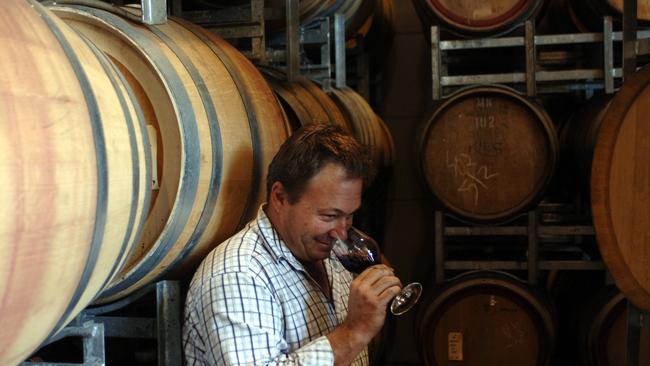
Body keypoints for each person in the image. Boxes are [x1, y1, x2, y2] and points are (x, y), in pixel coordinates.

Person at [183, 123, 402, 365]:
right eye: (329, 216)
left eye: (349, 216)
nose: (341, 232)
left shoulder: (329, 253)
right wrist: (355, 332)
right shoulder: (238, 275)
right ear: (280, 198)